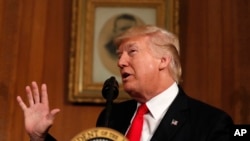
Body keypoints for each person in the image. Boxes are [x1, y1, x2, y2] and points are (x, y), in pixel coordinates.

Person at [17, 25, 234, 141]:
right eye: (119, 55)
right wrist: (39, 137)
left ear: (163, 60)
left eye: (132, 52)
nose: (121, 62)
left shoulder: (211, 123)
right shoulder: (112, 116)